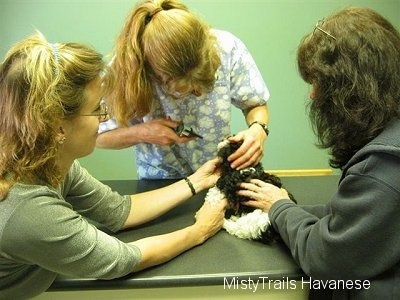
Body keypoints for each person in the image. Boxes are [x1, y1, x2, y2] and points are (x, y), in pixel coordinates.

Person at [0, 32, 227, 299]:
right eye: (98, 109)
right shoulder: (30, 210)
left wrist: (197, 180)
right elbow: (124, 259)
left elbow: (118, 211)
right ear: (57, 126)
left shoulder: (46, 159)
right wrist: (199, 231)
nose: (104, 118)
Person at [236, 7, 400, 299]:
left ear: (351, 86)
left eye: (317, 82)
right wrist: (289, 207)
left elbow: (325, 258)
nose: (312, 94)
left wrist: (279, 207)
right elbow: (360, 222)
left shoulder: (382, 165)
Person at [96, 0, 270, 179]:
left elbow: (255, 103)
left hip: (217, 173)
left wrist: (258, 129)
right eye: (189, 89)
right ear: (157, 74)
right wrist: (142, 133)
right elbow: (98, 136)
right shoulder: (123, 71)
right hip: (161, 182)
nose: (199, 94)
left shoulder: (227, 47)